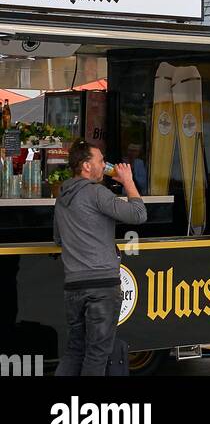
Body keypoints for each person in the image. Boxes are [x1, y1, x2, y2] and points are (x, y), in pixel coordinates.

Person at [53, 140, 147, 376]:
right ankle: (88, 411)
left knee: (75, 350)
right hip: (102, 286)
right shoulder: (97, 193)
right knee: (96, 354)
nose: (105, 165)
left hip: (73, 286)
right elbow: (138, 214)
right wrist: (128, 182)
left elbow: (58, 239)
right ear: (86, 166)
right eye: (101, 161)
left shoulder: (62, 197)